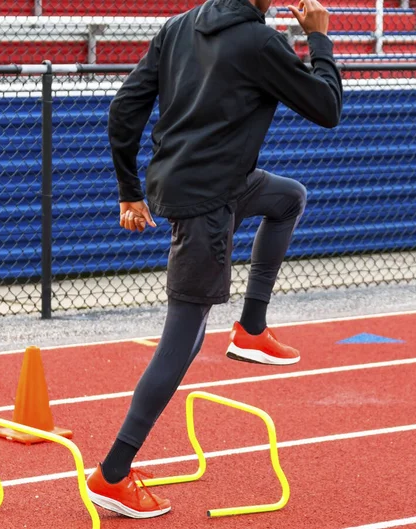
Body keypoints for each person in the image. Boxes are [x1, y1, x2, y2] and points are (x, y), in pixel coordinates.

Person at [86, 0, 342, 518]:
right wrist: (318, 39)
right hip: (206, 201)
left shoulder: (178, 27)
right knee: (185, 336)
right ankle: (113, 473)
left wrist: (129, 192)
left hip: (220, 181)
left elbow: (123, 110)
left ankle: (251, 327)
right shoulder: (260, 41)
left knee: (288, 196)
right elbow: (327, 107)